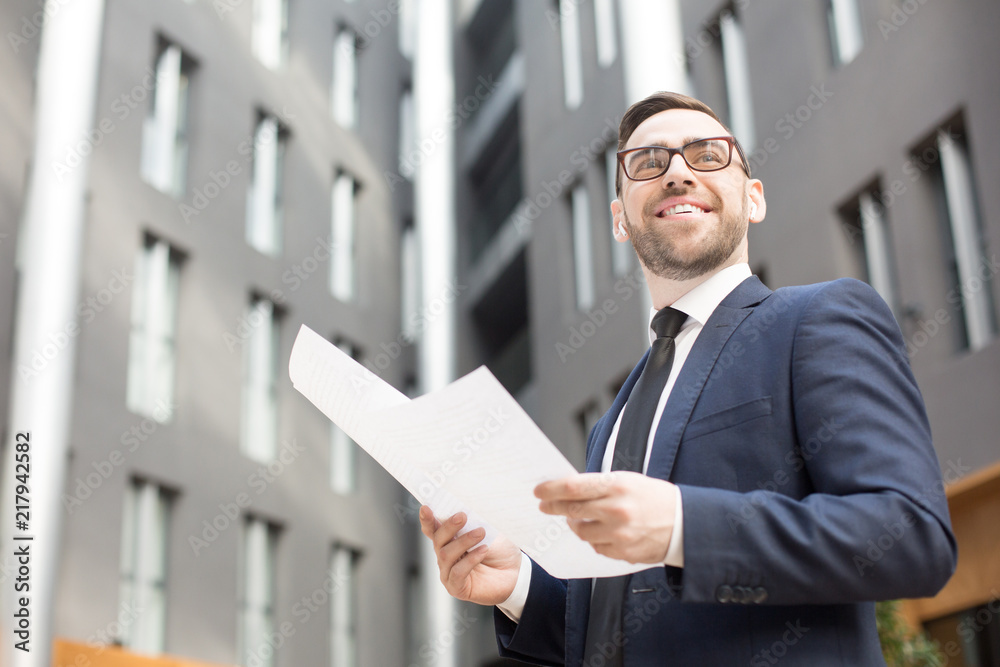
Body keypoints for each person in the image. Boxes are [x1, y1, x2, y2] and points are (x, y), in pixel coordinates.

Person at [419, 91, 956, 666]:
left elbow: (909, 533)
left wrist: (682, 526)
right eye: (648, 162)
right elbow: (620, 630)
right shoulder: (612, 422)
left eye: (706, 155)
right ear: (620, 218)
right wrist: (518, 586)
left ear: (753, 199)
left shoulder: (817, 319)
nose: (676, 171)